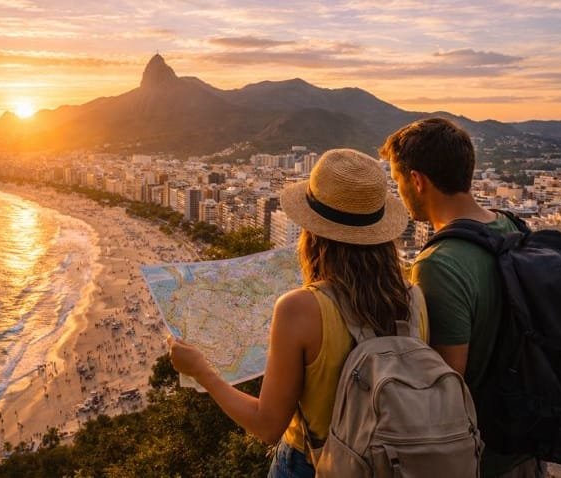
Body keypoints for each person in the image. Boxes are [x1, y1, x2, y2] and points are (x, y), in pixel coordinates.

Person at [168, 148, 428, 478]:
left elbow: (267, 426)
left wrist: (201, 371)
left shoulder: (300, 309)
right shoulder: (414, 298)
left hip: (313, 464)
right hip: (391, 464)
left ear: (312, 232)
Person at [380, 117, 544, 478]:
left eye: (397, 181)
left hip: (481, 457)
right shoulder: (511, 226)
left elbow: (446, 386)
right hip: (526, 444)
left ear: (417, 180)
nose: (399, 191)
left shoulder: (438, 265)